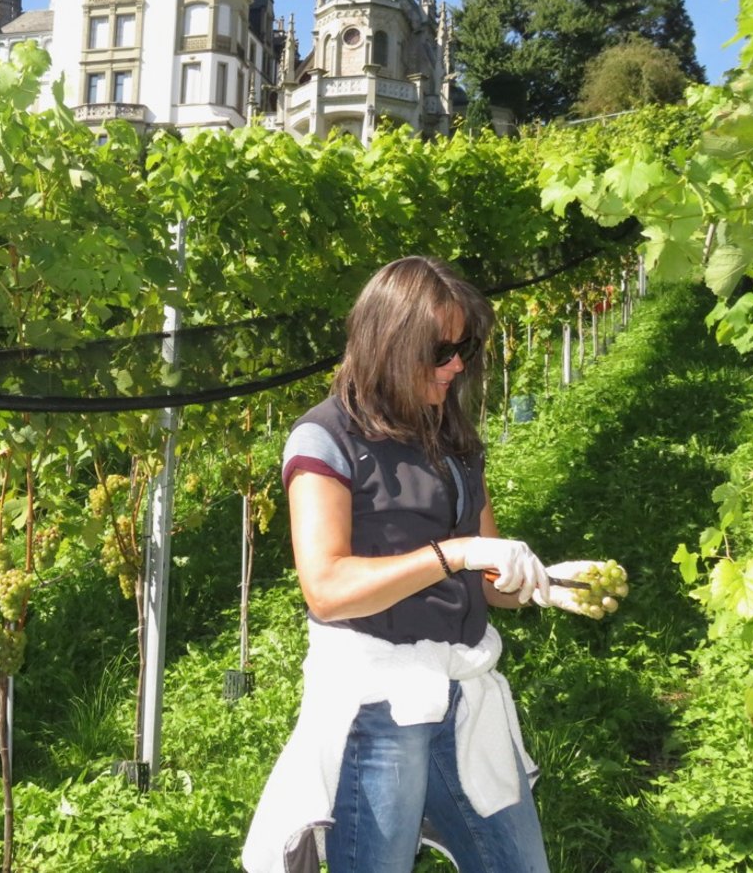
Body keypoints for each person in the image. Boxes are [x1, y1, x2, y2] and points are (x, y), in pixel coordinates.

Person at [243, 257, 598, 873]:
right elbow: (326, 589)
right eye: (441, 350)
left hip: (463, 692)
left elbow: (487, 580)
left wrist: (534, 582)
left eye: (465, 347)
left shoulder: (452, 434)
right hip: (381, 708)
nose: (457, 364)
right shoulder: (326, 441)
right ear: (389, 344)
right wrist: (455, 554)